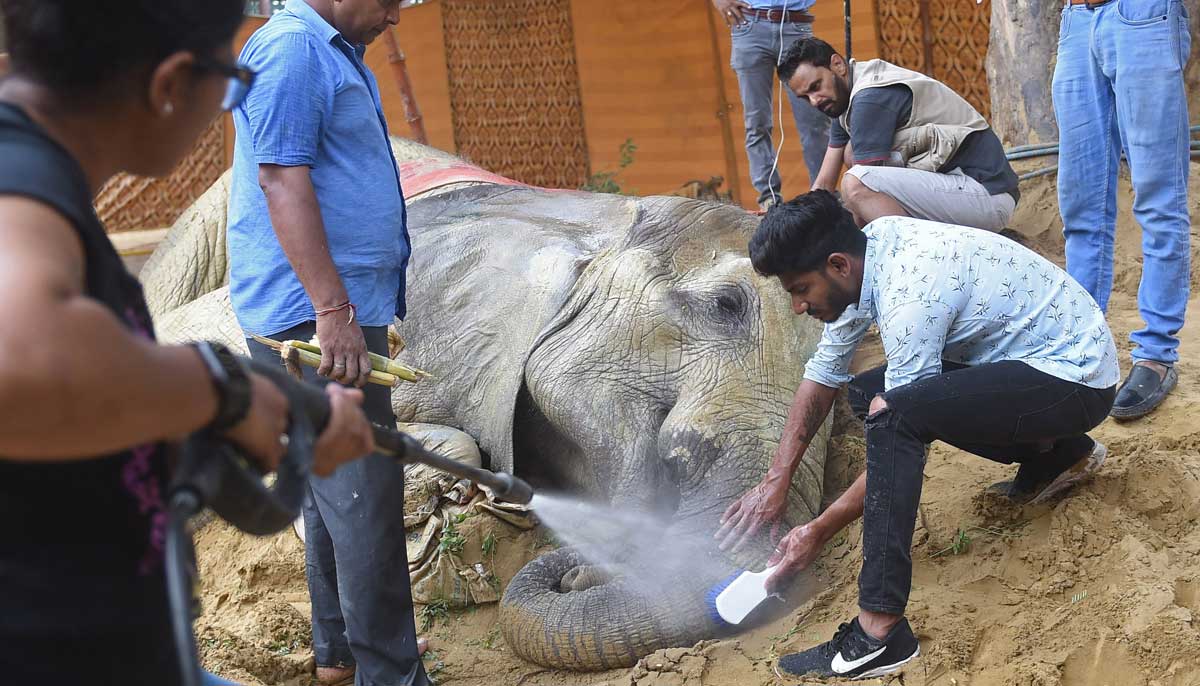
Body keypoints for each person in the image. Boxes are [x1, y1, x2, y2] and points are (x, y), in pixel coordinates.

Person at [0, 1, 375, 684]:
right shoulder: (16, 177)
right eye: (229, 77)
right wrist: (224, 392)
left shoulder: (42, 180)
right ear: (170, 83)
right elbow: (20, 359)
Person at [716, 191, 1118, 679]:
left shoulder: (911, 291)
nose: (799, 306)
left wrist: (816, 532)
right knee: (868, 393)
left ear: (838, 265)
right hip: (1033, 363)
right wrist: (775, 481)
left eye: (801, 289)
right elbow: (822, 376)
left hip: (1075, 380)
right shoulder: (872, 249)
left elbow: (904, 419)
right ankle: (1059, 454)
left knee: (894, 413)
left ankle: (878, 632)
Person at [227, 1, 428, 684]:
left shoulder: (331, 51)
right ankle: (394, 674)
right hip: (310, 315)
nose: (396, 14)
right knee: (363, 487)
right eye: (390, 0)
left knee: (328, 481)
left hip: (321, 307)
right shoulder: (292, 51)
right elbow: (281, 178)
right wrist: (332, 309)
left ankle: (338, 652)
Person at [1052, 0, 1191, 420]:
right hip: (1076, 21)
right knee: (1080, 205)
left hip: (1142, 14)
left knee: (1158, 195)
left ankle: (1156, 353)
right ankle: (1081, 344)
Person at [779, 37, 1020, 232]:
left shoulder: (868, 98)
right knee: (853, 159)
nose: (814, 101)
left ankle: (917, 258)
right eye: (804, 97)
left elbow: (862, 191)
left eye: (816, 86)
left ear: (838, 65)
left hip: (987, 197)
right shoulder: (843, 99)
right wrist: (793, 221)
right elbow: (823, 185)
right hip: (962, 192)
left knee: (855, 184)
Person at [712, 0, 831, 211]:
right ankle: (768, 200)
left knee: (815, 120)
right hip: (749, 24)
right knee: (757, 122)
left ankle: (823, 194)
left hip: (796, 24)